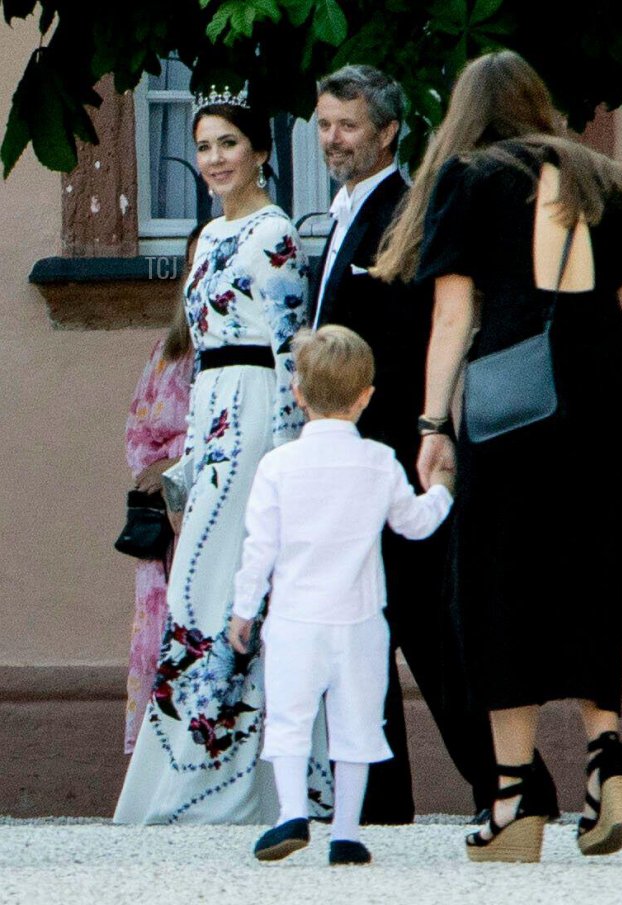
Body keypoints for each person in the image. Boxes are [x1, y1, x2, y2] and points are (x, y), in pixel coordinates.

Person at [373, 50, 622, 861]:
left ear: (471, 112)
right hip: (603, 395)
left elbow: (454, 315)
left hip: (511, 404)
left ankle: (510, 800)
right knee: (590, 577)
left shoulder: (470, 179)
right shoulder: (608, 180)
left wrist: (433, 424)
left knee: (497, 589)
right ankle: (606, 757)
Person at [114, 88, 326, 824]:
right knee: (195, 595)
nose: (212, 159)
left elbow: (289, 348)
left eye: (227, 144)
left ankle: (228, 788)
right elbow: (199, 352)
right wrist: (187, 456)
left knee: (228, 590)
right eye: (202, 146)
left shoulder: (274, 235)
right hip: (210, 425)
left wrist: (288, 453)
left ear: (261, 151)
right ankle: (192, 777)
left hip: (256, 421)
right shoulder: (205, 239)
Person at [311, 64, 494, 822]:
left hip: (391, 453)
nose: (332, 140)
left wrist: (428, 433)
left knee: (427, 626)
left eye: (347, 125)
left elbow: (424, 334)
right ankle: (382, 800)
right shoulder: (344, 208)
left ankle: (509, 783)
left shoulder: (407, 208)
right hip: (352, 454)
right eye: (323, 125)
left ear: (388, 131)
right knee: (364, 633)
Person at [228, 325, 454, 866]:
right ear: (366, 396)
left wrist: (243, 610)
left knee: (289, 720)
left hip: (293, 619)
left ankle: (290, 813)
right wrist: (444, 491)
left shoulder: (277, 466)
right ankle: (347, 832)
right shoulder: (378, 461)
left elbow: (259, 547)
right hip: (359, 622)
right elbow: (414, 524)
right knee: (358, 725)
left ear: (298, 393)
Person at [121, 227, 200, 753]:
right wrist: (154, 471)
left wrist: (180, 466)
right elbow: (137, 428)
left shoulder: (252, 346)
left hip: (212, 512)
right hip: (161, 534)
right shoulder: (168, 349)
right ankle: (159, 763)